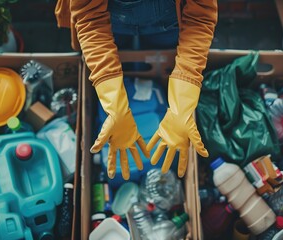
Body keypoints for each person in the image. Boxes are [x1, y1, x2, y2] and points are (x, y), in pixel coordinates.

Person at [55, 0, 218, 180]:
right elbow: (90, 19)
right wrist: (115, 105)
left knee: (155, 57)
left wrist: (182, 102)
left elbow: (200, 17)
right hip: (110, 19)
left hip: (168, 22)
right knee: (123, 57)